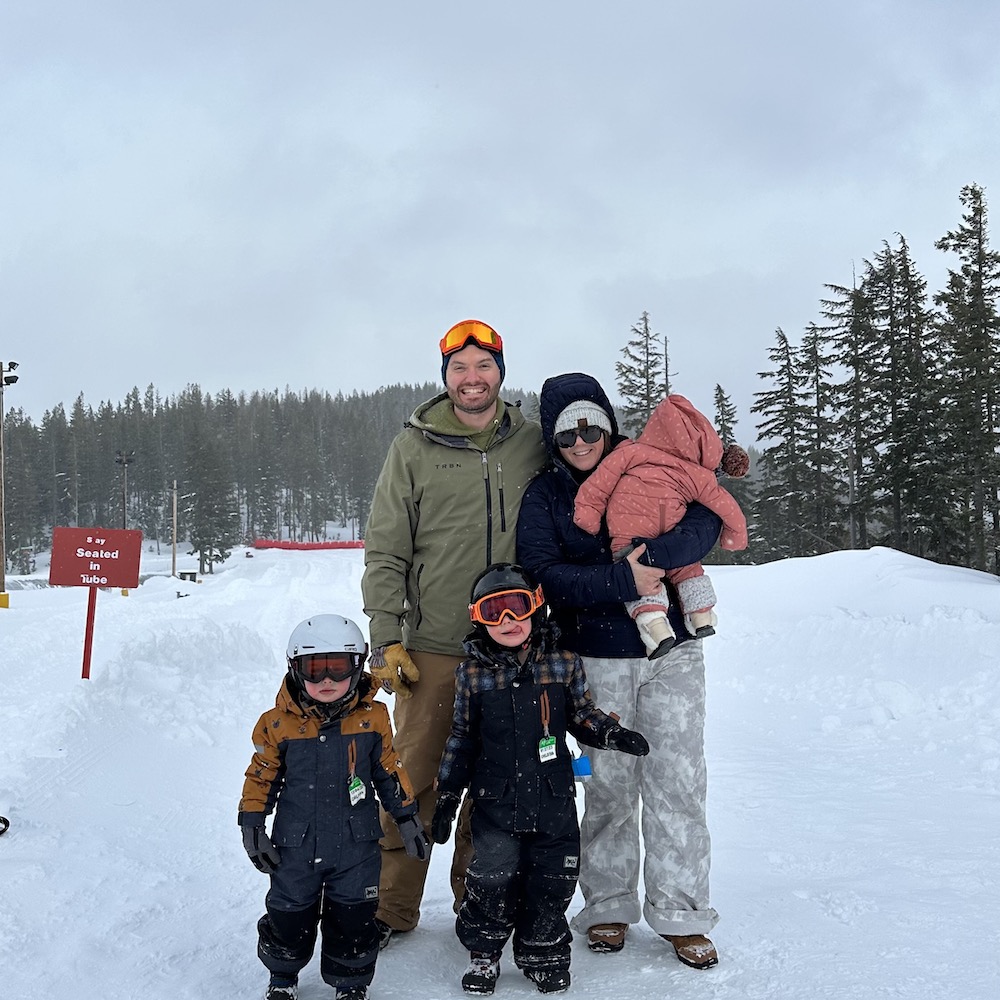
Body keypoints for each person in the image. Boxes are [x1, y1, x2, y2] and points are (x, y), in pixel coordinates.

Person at [516, 372, 724, 970]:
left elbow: (706, 519)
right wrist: (620, 581)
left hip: (673, 651)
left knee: (678, 783)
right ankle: (607, 904)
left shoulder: (651, 462)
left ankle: (682, 913)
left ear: (608, 422)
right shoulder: (547, 496)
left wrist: (655, 558)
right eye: (566, 433)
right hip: (595, 659)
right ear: (551, 440)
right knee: (606, 789)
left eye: (591, 426)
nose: (581, 442)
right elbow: (544, 572)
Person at [361, 319, 547, 946]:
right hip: (435, 646)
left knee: (495, 784)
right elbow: (385, 548)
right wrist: (387, 636)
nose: (473, 379)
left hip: (513, 646)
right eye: (460, 368)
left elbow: (605, 461)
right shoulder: (413, 447)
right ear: (445, 378)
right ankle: (391, 908)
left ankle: (480, 901)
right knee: (413, 779)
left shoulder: (531, 441)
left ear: (501, 371)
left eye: (484, 366)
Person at [431, 564, 649, 996]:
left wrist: (610, 732)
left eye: (517, 607)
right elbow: (461, 739)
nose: (508, 621)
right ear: (478, 617)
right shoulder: (472, 675)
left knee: (552, 878)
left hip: (553, 796)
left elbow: (582, 715)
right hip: (495, 799)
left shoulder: (563, 663)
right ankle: (484, 952)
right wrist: (447, 797)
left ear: (536, 608)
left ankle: (543, 951)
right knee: (492, 876)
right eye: (494, 612)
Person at [239, 615, 430, 1000]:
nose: (327, 680)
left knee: (354, 917)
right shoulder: (277, 725)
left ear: (357, 666)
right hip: (295, 844)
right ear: (295, 669)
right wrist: (253, 824)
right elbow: (261, 776)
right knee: (288, 913)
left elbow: (388, 770)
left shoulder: (372, 718)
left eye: (338, 668)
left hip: (356, 844)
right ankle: (282, 976)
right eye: (315, 668)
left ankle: (350, 983)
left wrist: (407, 817)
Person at [571, 393, 749, 658]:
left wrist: (587, 516)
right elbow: (725, 505)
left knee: (638, 574)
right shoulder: (696, 474)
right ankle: (701, 615)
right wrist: (735, 536)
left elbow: (599, 484)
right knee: (687, 568)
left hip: (626, 530)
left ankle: (654, 625)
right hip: (671, 531)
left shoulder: (630, 452)